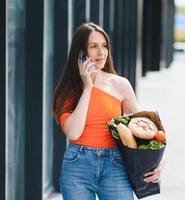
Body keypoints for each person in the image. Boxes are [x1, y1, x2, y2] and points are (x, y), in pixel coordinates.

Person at [53, 22, 165, 200]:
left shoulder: (120, 84)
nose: (101, 52)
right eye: (93, 46)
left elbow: (145, 130)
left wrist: (158, 163)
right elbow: (74, 132)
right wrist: (88, 87)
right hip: (77, 165)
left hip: (114, 163)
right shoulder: (68, 90)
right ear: (80, 52)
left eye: (104, 46)